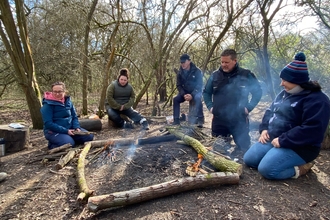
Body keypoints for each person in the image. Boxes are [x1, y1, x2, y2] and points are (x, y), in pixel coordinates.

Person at [243, 52, 330, 180]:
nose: (281, 84)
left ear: (297, 81)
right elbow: (270, 111)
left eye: (285, 80)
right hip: (275, 138)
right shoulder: (285, 93)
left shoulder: (317, 100)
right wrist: (264, 129)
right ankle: (274, 155)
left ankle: (302, 168)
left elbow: (312, 129)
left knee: (267, 170)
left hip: (300, 147)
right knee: (249, 159)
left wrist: (283, 140)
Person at [203, 49, 262, 151]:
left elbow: (258, 92)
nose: (223, 65)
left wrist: (248, 108)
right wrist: (210, 107)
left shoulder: (246, 75)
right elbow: (206, 92)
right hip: (219, 119)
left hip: (239, 119)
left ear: (235, 61)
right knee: (218, 150)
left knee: (244, 149)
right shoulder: (215, 75)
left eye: (226, 62)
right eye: (222, 62)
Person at [40, 82, 94, 149]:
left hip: (71, 129)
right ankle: (53, 144)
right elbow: (48, 123)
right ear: (52, 92)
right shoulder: (47, 105)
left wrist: (76, 127)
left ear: (64, 91)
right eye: (55, 92)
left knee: (89, 136)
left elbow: (74, 116)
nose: (57, 94)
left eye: (59, 92)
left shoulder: (68, 102)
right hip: (53, 131)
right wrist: (66, 131)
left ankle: (69, 139)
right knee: (69, 144)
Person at [173, 53, 204, 127]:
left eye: (184, 62)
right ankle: (176, 120)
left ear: (189, 61)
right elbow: (178, 85)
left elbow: (200, 85)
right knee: (175, 99)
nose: (182, 64)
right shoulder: (180, 72)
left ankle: (200, 120)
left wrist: (192, 95)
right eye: (181, 62)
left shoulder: (197, 71)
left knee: (197, 97)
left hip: (195, 92)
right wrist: (183, 94)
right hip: (185, 93)